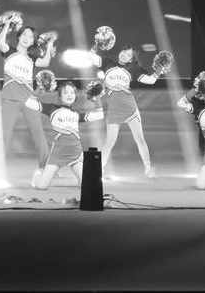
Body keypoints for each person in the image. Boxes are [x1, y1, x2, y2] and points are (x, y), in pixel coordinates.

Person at [90, 44, 160, 178]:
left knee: (139, 138)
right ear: (120, 51)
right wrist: (96, 44)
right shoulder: (107, 62)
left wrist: (160, 69)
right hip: (114, 108)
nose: (124, 55)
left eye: (128, 55)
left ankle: (148, 168)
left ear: (130, 60)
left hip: (130, 107)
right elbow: (91, 57)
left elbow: (151, 80)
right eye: (124, 51)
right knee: (109, 142)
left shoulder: (133, 69)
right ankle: (100, 169)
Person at [0, 21, 53, 179]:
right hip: (9, 99)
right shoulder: (9, 51)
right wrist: (7, 25)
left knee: (39, 134)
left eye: (31, 37)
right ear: (19, 37)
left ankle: (44, 168)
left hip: (29, 100)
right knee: (4, 136)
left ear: (33, 41)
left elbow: (45, 62)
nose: (27, 38)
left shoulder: (32, 58)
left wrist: (49, 46)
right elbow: (0, 43)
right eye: (25, 35)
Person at [25, 81, 104, 190]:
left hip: (75, 154)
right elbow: (29, 103)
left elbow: (100, 115)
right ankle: (38, 175)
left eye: (72, 93)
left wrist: (97, 98)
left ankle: (81, 179)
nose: (69, 95)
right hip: (57, 154)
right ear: (60, 96)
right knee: (42, 186)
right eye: (66, 93)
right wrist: (40, 89)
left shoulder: (76, 114)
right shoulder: (52, 109)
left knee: (87, 186)